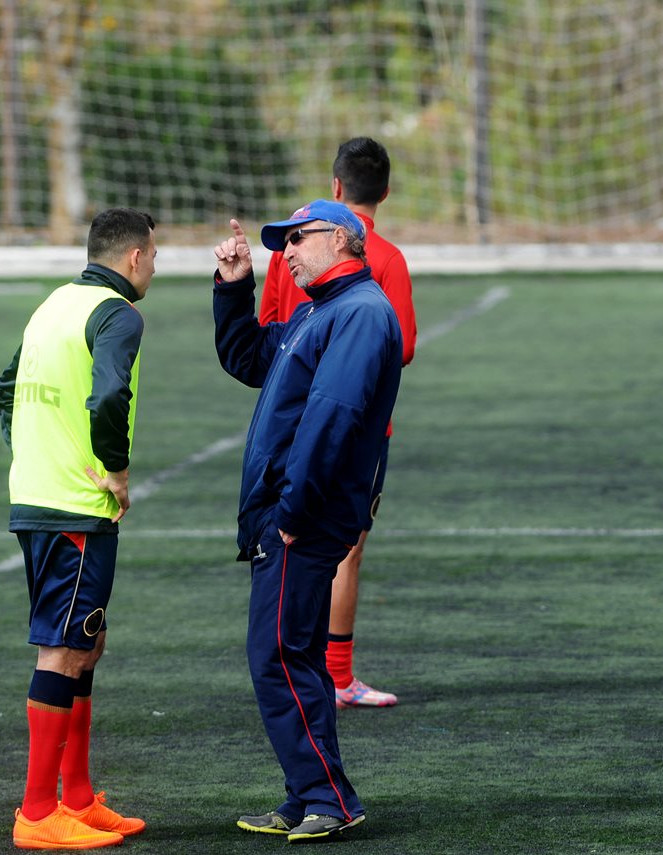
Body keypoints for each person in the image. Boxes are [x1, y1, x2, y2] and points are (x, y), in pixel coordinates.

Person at [212, 200, 403, 843]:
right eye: (280, 243)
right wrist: (236, 286)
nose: (284, 253)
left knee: (276, 657)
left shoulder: (357, 313)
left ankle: (328, 797)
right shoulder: (320, 311)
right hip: (295, 511)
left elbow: (334, 416)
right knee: (294, 657)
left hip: (304, 517)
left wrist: (292, 511)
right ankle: (309, 794)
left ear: (343, 241)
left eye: (297, 239)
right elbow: (246, 359)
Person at [0, 207, 155, 851]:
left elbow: (4, 390)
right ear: (137, 257)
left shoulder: (53, 304)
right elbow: (111, 393)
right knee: (62, 649)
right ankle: (37, 814)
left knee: (86, 642)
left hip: (39, 498)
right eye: (154, 257)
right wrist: (112, 468)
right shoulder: (118, 314)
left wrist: (35, 453)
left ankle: (79, 799)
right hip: (75, 509)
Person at [258, 137, 416, 709]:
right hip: (357, 435)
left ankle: (294, 665)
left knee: (282, 543)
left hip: (283, 424)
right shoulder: (387, 259)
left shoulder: (288, 252)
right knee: (344, 548)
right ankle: (336, 675)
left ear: (335, 188)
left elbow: (268, 333)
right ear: (387, 191)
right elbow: (400, 346)